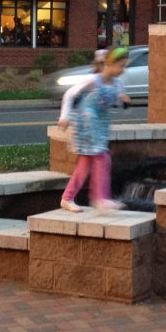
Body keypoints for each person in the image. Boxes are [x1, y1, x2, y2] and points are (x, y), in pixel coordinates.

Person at [59, 46, 131, 213]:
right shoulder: (93, 80)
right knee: (102, 157)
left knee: (85, 164)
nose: (123, 70)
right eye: (121, 65)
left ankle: (67, 198)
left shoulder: (117, 83)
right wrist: (65, 116)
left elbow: (119, 100)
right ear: (110, 64)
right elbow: (69, 94)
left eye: (125, 66)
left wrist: (124, 101)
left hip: (101, 124)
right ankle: (100, 198)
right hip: (87, 122)